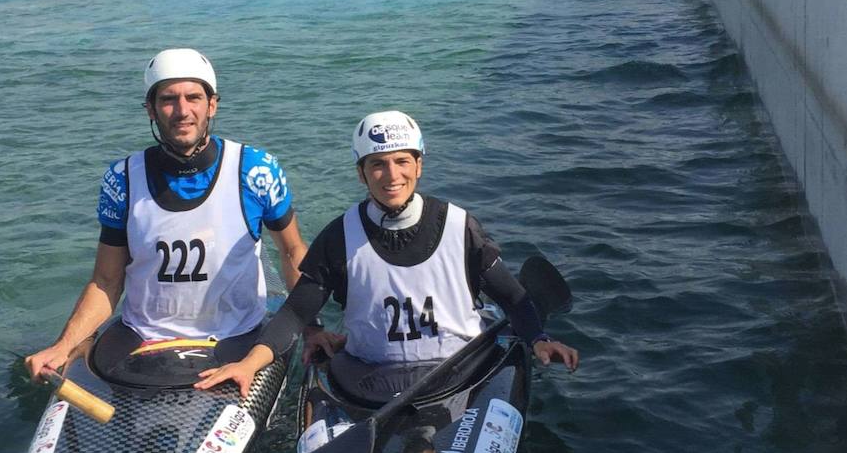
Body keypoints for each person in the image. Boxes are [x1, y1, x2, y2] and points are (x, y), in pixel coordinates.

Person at [198, 110, 579, 395]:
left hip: (461, 371)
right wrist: (249, 364)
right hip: (369, 379)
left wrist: (538, 339)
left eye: (401, 161)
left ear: (419, 166)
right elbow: (296, 312)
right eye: (377, 164)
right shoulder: (339, 237)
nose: (391, 175)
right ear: (361, 173)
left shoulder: (460, 226)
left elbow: (512, 296)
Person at [25, 49, 308, 398]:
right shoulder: (123, 178)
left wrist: (314, 327)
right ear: (151, 109)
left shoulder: (256, 170)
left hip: (235, 334)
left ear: (212, 105)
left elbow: (293, 250)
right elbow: (106, 280)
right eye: (169, 99)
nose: (183, 111)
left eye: (194, 97)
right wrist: (63, 344)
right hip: (142, 335)